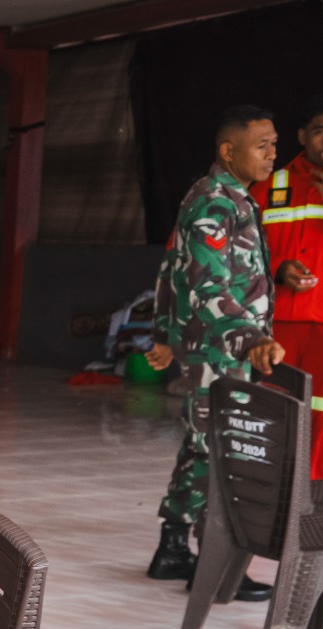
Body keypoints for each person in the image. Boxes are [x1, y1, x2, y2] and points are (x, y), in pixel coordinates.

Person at [145, 106, 287, 599]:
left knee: (202, 446)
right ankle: (216, 563)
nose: (272, 153)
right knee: (223, 451)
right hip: (220, 351)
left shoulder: (229, 198)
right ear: (229, 151)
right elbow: (204, 285)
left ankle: (171, 550)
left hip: (220, 349)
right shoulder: (214, 202)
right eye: (261, 145)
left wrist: (163, 333)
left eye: (274, 143)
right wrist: (252, 339)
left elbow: (171, 267)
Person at [253, 94, 323, 477]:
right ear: (302, 135)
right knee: (273, 413)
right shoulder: (270, 185)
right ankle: (274, 497)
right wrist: (278, 268)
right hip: (274, 326)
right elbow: (241, 250)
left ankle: (312, 502)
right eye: (320, 130)